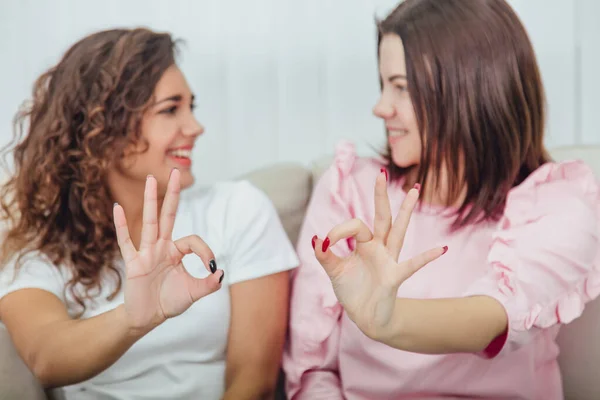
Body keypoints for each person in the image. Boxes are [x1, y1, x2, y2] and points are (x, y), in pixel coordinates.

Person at [283, 0, 600, 399]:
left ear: (471, 87)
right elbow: (312, 372)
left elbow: (494, 317)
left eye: (401, 87)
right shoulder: (349, 189)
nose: (381, 108)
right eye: (383, 85)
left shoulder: (559, 203)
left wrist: (388, 319)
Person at [0, 28, 298, 400]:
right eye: (170, 109)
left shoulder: (239, 208)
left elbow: (254, 383)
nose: (195, 127)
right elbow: (46, 357)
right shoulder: (40, 243)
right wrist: (133, 318)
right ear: (103, 128)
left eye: (192, 107)